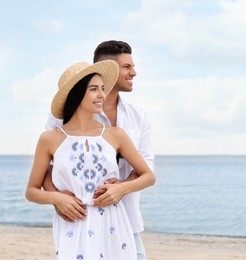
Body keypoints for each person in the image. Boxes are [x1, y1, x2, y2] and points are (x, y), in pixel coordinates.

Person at [25, 60, 156, 259]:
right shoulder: (50, 139)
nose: (102, 95)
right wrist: (57, 198)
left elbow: (148, 176)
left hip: (114, 224)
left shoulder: (116, 135)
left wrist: (121, 188)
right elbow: (31, 191)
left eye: (102, 89)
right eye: (94, 89)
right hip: (72, 224)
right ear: (76, 94)